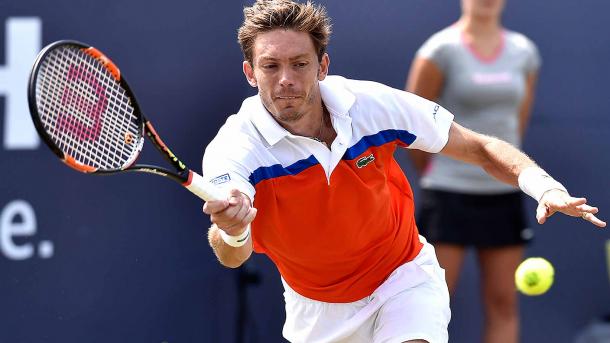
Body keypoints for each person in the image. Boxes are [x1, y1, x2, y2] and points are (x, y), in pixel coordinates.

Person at [201, 1, 606, 342]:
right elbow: (233, 255)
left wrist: (544, 187)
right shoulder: (234, 150)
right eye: (270, 66)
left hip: (402, 277)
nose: (286, 80)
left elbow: (479, 147)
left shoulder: (372, 106)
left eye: (299, 64)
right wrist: (233, 229)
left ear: (322, 66)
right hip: (316, 309)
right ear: (250, 73)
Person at [404, 1, 548, 342]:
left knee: (503, 305)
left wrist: (504, 170)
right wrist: (446, 172)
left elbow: (517, 125)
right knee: (431, 306)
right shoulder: (439, 49)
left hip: (503, 196)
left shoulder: (524, 52)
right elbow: (414, 126)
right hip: (447, 194)